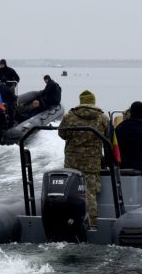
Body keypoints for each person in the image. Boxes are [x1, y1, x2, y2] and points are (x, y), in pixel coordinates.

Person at [58, 90, 110, 228]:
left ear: (81, 101)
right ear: (93, 101)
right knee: (91, 194)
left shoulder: (69, 116)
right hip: (92, 163)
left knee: (70, 192)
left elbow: (62, 134)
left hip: (72, 162)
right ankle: (92, 225)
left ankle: (69, 223)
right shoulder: (102, 118)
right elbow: (108, 139)